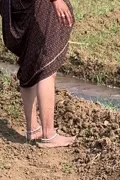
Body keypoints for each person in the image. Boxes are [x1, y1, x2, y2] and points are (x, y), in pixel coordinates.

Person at [1, 0, 76, 147]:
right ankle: (48, 134)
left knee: (30, 63)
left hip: (14, 6)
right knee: (46, 66)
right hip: (39, 7)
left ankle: (33, 129)